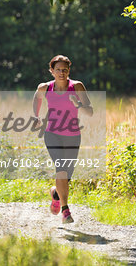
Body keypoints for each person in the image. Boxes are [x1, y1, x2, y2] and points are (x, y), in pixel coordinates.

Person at [32, 55, 93, 223]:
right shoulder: (45, 88)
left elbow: (90, 111)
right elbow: (36, 99)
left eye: (64, 70)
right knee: (61, 168)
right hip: (52, 134)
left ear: (69, 71)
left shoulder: (77, 86)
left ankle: (56, 194)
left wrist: (79, 105)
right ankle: (66, 211)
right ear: (51, 71)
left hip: (73, 136)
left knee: (67, 176)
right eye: (58, 69)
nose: (61, 73)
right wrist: (36, 116)